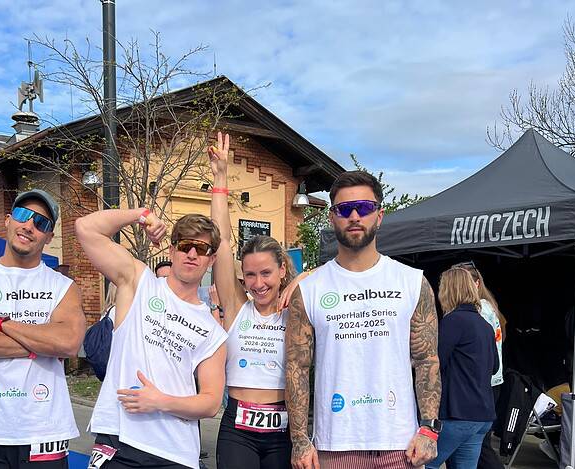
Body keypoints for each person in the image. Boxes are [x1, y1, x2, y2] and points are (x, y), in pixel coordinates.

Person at [285, 170, 441, 469]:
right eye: (344, 209)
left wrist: (429, 428)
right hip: (335, 446)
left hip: (401, 446)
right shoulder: (309, 289)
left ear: (379, 215)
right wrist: (300, 440)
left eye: (365, 208)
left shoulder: (412, 282)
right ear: (332, 217)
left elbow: (427, 360)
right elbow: (297, 367)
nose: (354, 215)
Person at [0, 190, 87, 469]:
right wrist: (42, 344)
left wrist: (1, 324)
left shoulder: (63, 287)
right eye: (23, 215)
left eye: (41, 223)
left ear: (49, 236)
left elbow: (69, 343)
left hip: (44, 430)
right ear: (8, 220)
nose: (29, 226)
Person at [76, 208, 228, 469]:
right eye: (186, 245)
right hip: (118, 440)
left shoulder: (213, 331)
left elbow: (211, 401)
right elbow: (85, 228)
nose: (192, 254)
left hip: (174, 452)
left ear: (211, 260)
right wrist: (141, 215)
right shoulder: (139, 283)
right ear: (171, 251)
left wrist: (160, 401)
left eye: (201, 249)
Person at [208, 131, 294, 469]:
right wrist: (220, 178)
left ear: (282, 270)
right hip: (238, 429)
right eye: (250, 275)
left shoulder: (295, 309)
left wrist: (303, 277)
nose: (257, 284)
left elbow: (333, 274)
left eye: (266, 274)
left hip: (284, 429)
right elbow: (222, 239)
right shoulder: (237, 306)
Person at [425, 267, 498, 469]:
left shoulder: (453, 322)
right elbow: (494, 367)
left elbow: (433, 364)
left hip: (458, 414)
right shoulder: (484, 325)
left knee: (423, 464)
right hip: (482, 414)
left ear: (447, 290)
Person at [454, 261, 505, 469]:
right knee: (477, 444)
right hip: (490, 382)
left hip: (483, 383)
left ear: (476, 283)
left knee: (479, 445)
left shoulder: (480, 309)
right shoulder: (487, 306)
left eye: (461, 282)